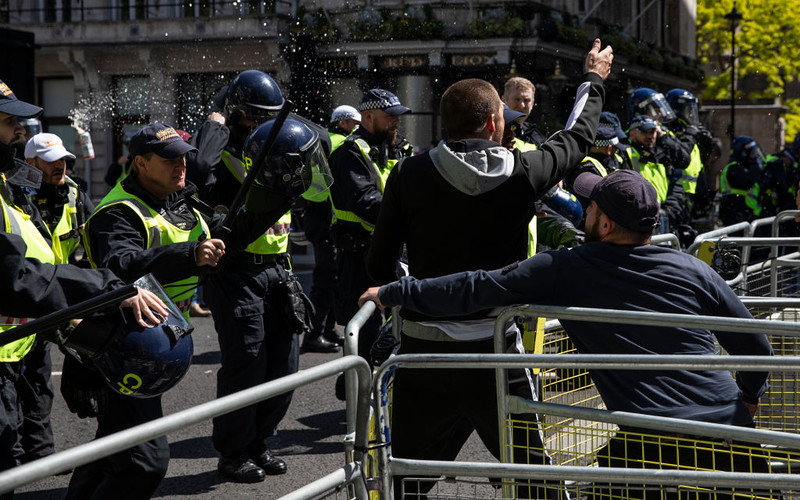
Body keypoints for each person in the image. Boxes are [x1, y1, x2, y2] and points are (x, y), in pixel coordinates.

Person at [360, 169, 774, 498]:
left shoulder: (569, 267)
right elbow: (755, 343)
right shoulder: (692, 267)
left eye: (589, 207)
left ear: (607, 224)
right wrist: (750, 396)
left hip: (650, 435)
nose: (583, 212)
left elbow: (475, 287)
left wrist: (395, 291)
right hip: (730, 428)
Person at [364, 38, 613, 499]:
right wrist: (593, 78)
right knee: (536, 479)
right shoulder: (525, 172)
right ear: (495, 123)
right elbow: (577, 137)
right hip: (497, 349)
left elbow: (379, 265)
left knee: (406, 480)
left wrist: (403, 299)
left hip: (422, 349)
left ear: (445, 124)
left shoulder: (408, 175)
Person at [0, 78, 165, 500]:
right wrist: (106, 289)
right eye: (6, 123)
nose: (17, 132)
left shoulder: (39, 190)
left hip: (29, 328)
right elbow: (15, 277)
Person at [67, 123, 229, 500]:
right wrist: (189, 256)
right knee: (145, 462)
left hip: (151, 345)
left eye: (184, 157)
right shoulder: (117, 212)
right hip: (121, 347)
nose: (181, 166)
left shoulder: (179, 200)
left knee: (111, 448)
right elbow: (122, 264)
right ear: (140, 163)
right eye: (169, 158)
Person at [187, 70, 329, 483]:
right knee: (245, 365)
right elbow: (197, 167)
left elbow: (314, 144)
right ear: (236, 115)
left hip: (277, 269)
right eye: (256, 116)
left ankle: (259, 442)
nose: (266, 125)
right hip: (236, 273)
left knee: (284, 365)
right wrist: (213, 123)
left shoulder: (271, 142)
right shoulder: (221, 150)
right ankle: (233, 453)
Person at [10, 133, 94, 466]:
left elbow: (90, 246)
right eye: (51, 160)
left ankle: (41, 453)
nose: (60, 165)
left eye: (63, 159)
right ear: (31, 163)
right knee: (17, 380)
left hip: (59, 294)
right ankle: (16, 456)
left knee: (39, 379)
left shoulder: (74, 194)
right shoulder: (17, 194)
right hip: (24, 296)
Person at [328, 88, 413, 374]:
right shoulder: (349, 152)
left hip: (395, 253)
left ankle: (381, 395)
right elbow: (365, 202)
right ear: (368, 116)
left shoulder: (400, 147)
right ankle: (356, 396)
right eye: (389, 117)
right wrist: (410, 213)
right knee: (364, 335)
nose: (395, 122)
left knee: (399, 330)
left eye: (397, 117)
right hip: (360, 254)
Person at [502, 76, 546, 150]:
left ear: (532, 103)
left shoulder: (537, 135)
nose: (522, 105)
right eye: (517, 99)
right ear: (503, 101)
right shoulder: (494, 132)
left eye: (526, 100)